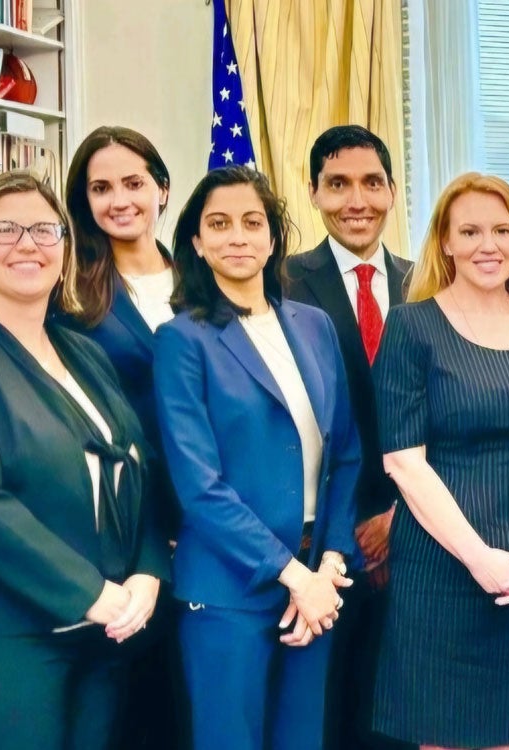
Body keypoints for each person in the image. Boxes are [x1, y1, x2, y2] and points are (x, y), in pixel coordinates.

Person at [0, 172, 171, 750]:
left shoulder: (86, 353)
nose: (28, 243)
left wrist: (147, 573)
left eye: (46, 230)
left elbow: (136, 467)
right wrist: (95, 593)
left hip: (104, 635)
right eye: (6, 228)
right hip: (1, 643)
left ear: (66, 248)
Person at [371, 172, 509, 749]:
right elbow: (403, 463)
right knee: (444, 737)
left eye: (501, 230)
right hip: (443, 569)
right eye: (468, 231)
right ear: (444, 242)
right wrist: (478, 559)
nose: (486, 245)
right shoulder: (412, 326)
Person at [153, 166, 362, 750]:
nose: (237, 237)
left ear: (273, 237)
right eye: (218, 224)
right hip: (228, 590)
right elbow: (200, 487)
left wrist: (330, 564)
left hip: (316, 583)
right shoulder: (182, 340)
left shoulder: (314, 325)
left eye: (252, 222)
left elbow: (345, 453)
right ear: (196, 241)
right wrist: (292, 575)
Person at [281, 124, 416, 750]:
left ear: (393, 191)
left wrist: (399, 516)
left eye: (371, 183)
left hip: (418, 532)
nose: (356, 200)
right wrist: (343, 526)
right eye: (337, 184)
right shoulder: (278, 283)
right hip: (319, 541)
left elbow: (449, 411)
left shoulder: (428, 283)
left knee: (398, 711)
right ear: (313, 192)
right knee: (327, 714)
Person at [61, 124, 188, 750]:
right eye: (101, 188)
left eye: (134, 183)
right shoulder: (71, 292)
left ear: (162, 189)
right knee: (143, 710)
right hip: (133, 525)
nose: (120, 200)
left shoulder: (207, 276)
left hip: (218, 518)